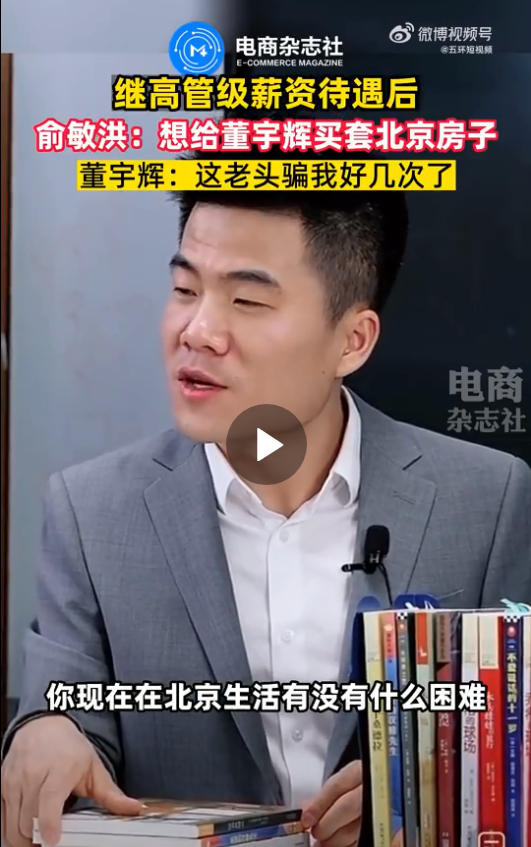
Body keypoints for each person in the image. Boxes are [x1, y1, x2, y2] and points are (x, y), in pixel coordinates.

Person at [2, 148, 530, 847]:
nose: (197, 331)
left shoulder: (487, 500)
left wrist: (430, 790)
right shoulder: (91, 510)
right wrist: (45, 733)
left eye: (246, 300)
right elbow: (62, 705)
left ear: (352, 340)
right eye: (185, 289)